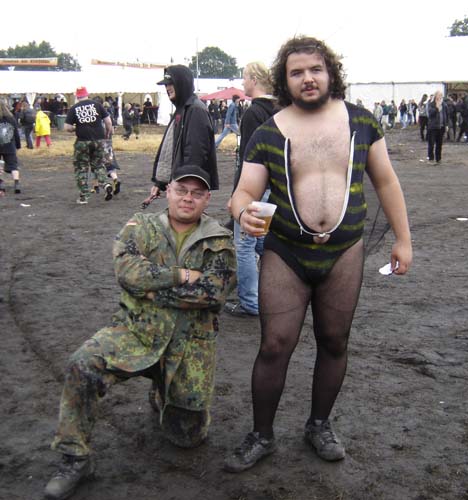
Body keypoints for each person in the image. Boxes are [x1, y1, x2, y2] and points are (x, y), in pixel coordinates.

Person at [224, 36, 412, 472]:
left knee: (334, 340)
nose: (307, 78)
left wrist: (403, 239)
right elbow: (244, 191)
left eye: (315, 69)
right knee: (275, 345)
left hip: (344, 252)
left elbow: (386, 181)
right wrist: (242, 211)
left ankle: (319, 425)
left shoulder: (361, 123)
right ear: (284, 80)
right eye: (296, 72)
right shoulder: (270, 132)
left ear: (330, 73)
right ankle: (261, 435)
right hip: (286, 253)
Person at [43, 165, 236, 500]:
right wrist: (182, 276)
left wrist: (150, 290)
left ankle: (163, 390)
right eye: (181, 190)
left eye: (197, 193)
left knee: (187, 437)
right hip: (136, 330)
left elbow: (213, 294)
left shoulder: (218, 239)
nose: (188, 198)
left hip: (190, 341)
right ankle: (75, 458)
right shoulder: (141, 225)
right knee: (83, 363)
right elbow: (128, 273)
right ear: (168, 191)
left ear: (207, 199)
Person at [224, 61, 277, 317]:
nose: (243, 82)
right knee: (262, 242)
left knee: (244, 245)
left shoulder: (253, 113)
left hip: (254, 191)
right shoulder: (280, 111)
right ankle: (276, 289)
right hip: (272, 189)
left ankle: (250, 302)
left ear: (254, 79)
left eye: (244, 77)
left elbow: (247, 160)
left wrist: (236, 196)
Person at [148, 65, 218, 205]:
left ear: (182, 83)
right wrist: (160, 183)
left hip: (188, 190)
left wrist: (186, 188)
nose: (167, 88)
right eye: (166, 85)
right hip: (181, 186)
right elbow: (171, 149)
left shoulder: (195, 110)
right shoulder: (183, 109)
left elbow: (195, 153)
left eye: (170, 83)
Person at [64, 86, 114, 205]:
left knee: (81, 168)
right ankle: (105, 184)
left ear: (77, 96)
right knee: (98, 165)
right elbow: (108, 122)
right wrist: (107, 133)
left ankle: (84, 196)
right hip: (98, 140)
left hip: (82, 141)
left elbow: (67, 127)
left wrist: (76, 128)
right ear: (87, 94)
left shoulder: (74, 108)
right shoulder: (97, 105)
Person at [0, 98, 22, 195]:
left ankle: (1, 184)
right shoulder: (11, 119)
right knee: (13, 166)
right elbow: (16, 133)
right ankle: (16, 184)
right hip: (10, 145)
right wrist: (18, 145)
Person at [426, 90, 448, 164]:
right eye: (439, 95)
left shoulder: (444, 105)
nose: (440, 97)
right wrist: (437, 108)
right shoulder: (431, 104)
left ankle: (438, 159)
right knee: (431, 144)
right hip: (432, 127)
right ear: (435, 96)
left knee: (439, 144)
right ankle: (431, 159)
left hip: (441, 127)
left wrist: (446, 125)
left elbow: (446, 115)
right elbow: (430, 114)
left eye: (441, 95)